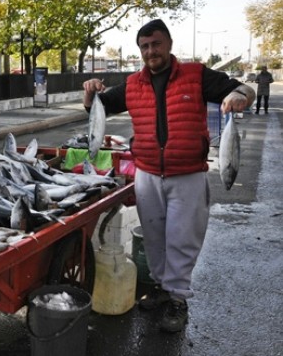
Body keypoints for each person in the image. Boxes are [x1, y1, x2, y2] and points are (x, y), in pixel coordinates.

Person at [82, 19, 255, 333]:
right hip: (147, 175)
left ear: (169, 44)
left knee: (182, 240)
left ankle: (178, 299)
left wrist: (240, 96)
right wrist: (90, 92)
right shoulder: (133, 83)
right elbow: (99, 108)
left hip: (187, 175)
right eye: (145, 46)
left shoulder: (196, 75)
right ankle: (162, 288)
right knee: (154, 239)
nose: (151, 51)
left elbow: (245, 89)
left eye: (156, 44)